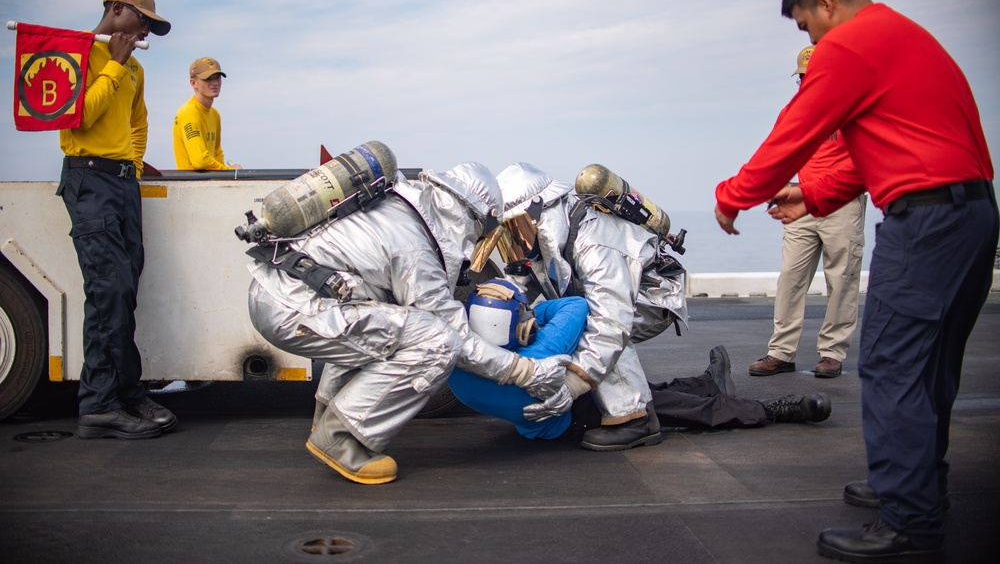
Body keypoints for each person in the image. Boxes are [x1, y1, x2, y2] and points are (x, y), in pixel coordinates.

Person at [714, 0, 997, 561]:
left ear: (825, 3)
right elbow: (894, 149)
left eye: (803, 26)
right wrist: (811, 193)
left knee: (893, 367)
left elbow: (798, 128)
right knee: (931, 369)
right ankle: (917, 486)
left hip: (925, 226)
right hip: (970, 212)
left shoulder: (849, 45)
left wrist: (735, 195)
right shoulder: (906, 37)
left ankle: (909, 524)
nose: (808, 43)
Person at [246, 162, 571, 485]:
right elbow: (457, 340)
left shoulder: (401, 207)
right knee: (437, 340)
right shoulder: (415, 247)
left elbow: (363, 323)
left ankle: (326, 419)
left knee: (383, 321)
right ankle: (341, 436)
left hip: (279, 294)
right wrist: (528, 372)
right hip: (294, 309)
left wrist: (325, 403)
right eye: (483, 229)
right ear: (472, 216)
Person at [448, 279, 832, 440]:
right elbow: (575, 306)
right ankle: (771, 410)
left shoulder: (455, 370)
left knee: (650, 391)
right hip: (577, 417)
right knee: (671, 409)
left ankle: (708, 383)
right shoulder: (539, 354)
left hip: (543, 421)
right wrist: (536, 316)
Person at [490, 161, 688, 451]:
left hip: (653, 297)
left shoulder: (594, 241)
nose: (514, 239)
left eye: (515, 228)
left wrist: (572, 386)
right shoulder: (548, 235)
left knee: (590, 325)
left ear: (537, 213)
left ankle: (634, 418)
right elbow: (522, 285)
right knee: (572, 322)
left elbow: (611, 321)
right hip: (617, 296)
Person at [57, 0, 178, 439]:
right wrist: (114, 64)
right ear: (115, 10)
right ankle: (100, 404)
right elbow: (78, 117)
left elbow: (138, 121)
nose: (145, 29)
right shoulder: (77, 53)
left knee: (123, 291)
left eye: (149, 23)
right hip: (89, 178)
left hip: (122, 183)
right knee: (108, 291)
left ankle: (124, 393)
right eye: (142, 19)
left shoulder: (135, 69)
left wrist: (132, 162)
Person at [749, 46, 866, 379]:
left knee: (842, 279)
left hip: (842, 202)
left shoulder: (853, 109)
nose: (805, 83)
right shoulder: (792, 112)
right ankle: (781, 353)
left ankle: (832, 353)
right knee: (790, 277)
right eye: (802, 77)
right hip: (803, 204)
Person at [173, 57, 241, 170]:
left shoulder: (214, 114)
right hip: (190, 184)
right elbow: (200, 161)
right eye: (208, 79)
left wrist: (224, 173)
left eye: (217, 78)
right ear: (193, 83)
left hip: (208, 182)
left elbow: (217, 153)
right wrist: (227, 170)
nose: (215, 83)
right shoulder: (189, 112)